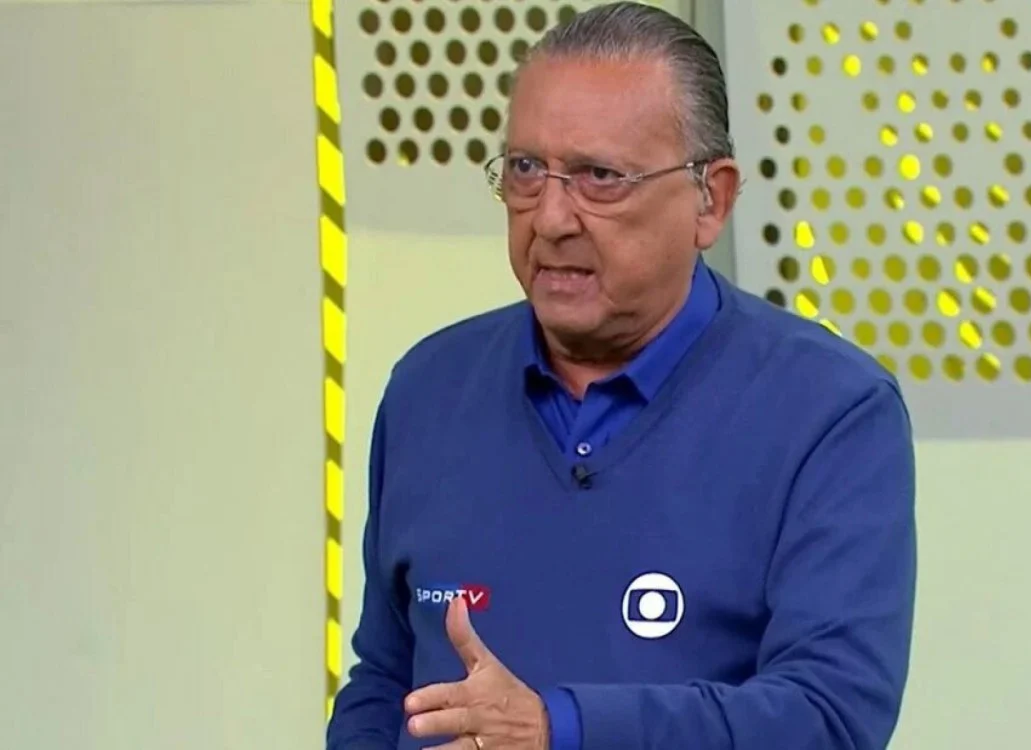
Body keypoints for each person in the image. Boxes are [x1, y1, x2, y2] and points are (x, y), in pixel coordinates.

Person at [325, 3, 917, 749]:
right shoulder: (430, 389)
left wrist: (560, 730)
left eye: (599, 177)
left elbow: (827, 717)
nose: (550, 218)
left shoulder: (830, 411)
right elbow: (385, 680)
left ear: (711, 200)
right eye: (526, 171)